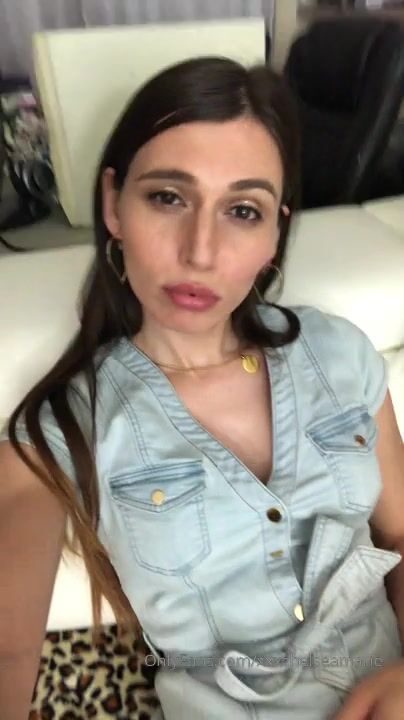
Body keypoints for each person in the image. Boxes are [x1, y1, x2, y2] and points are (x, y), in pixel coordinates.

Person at [0, 56, 403, 720]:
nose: (201, 251)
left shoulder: (339, 354)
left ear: (275, 233)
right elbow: (10, 646)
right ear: (113, 204)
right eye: (167, 197)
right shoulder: (66, 426)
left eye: (243, 210)